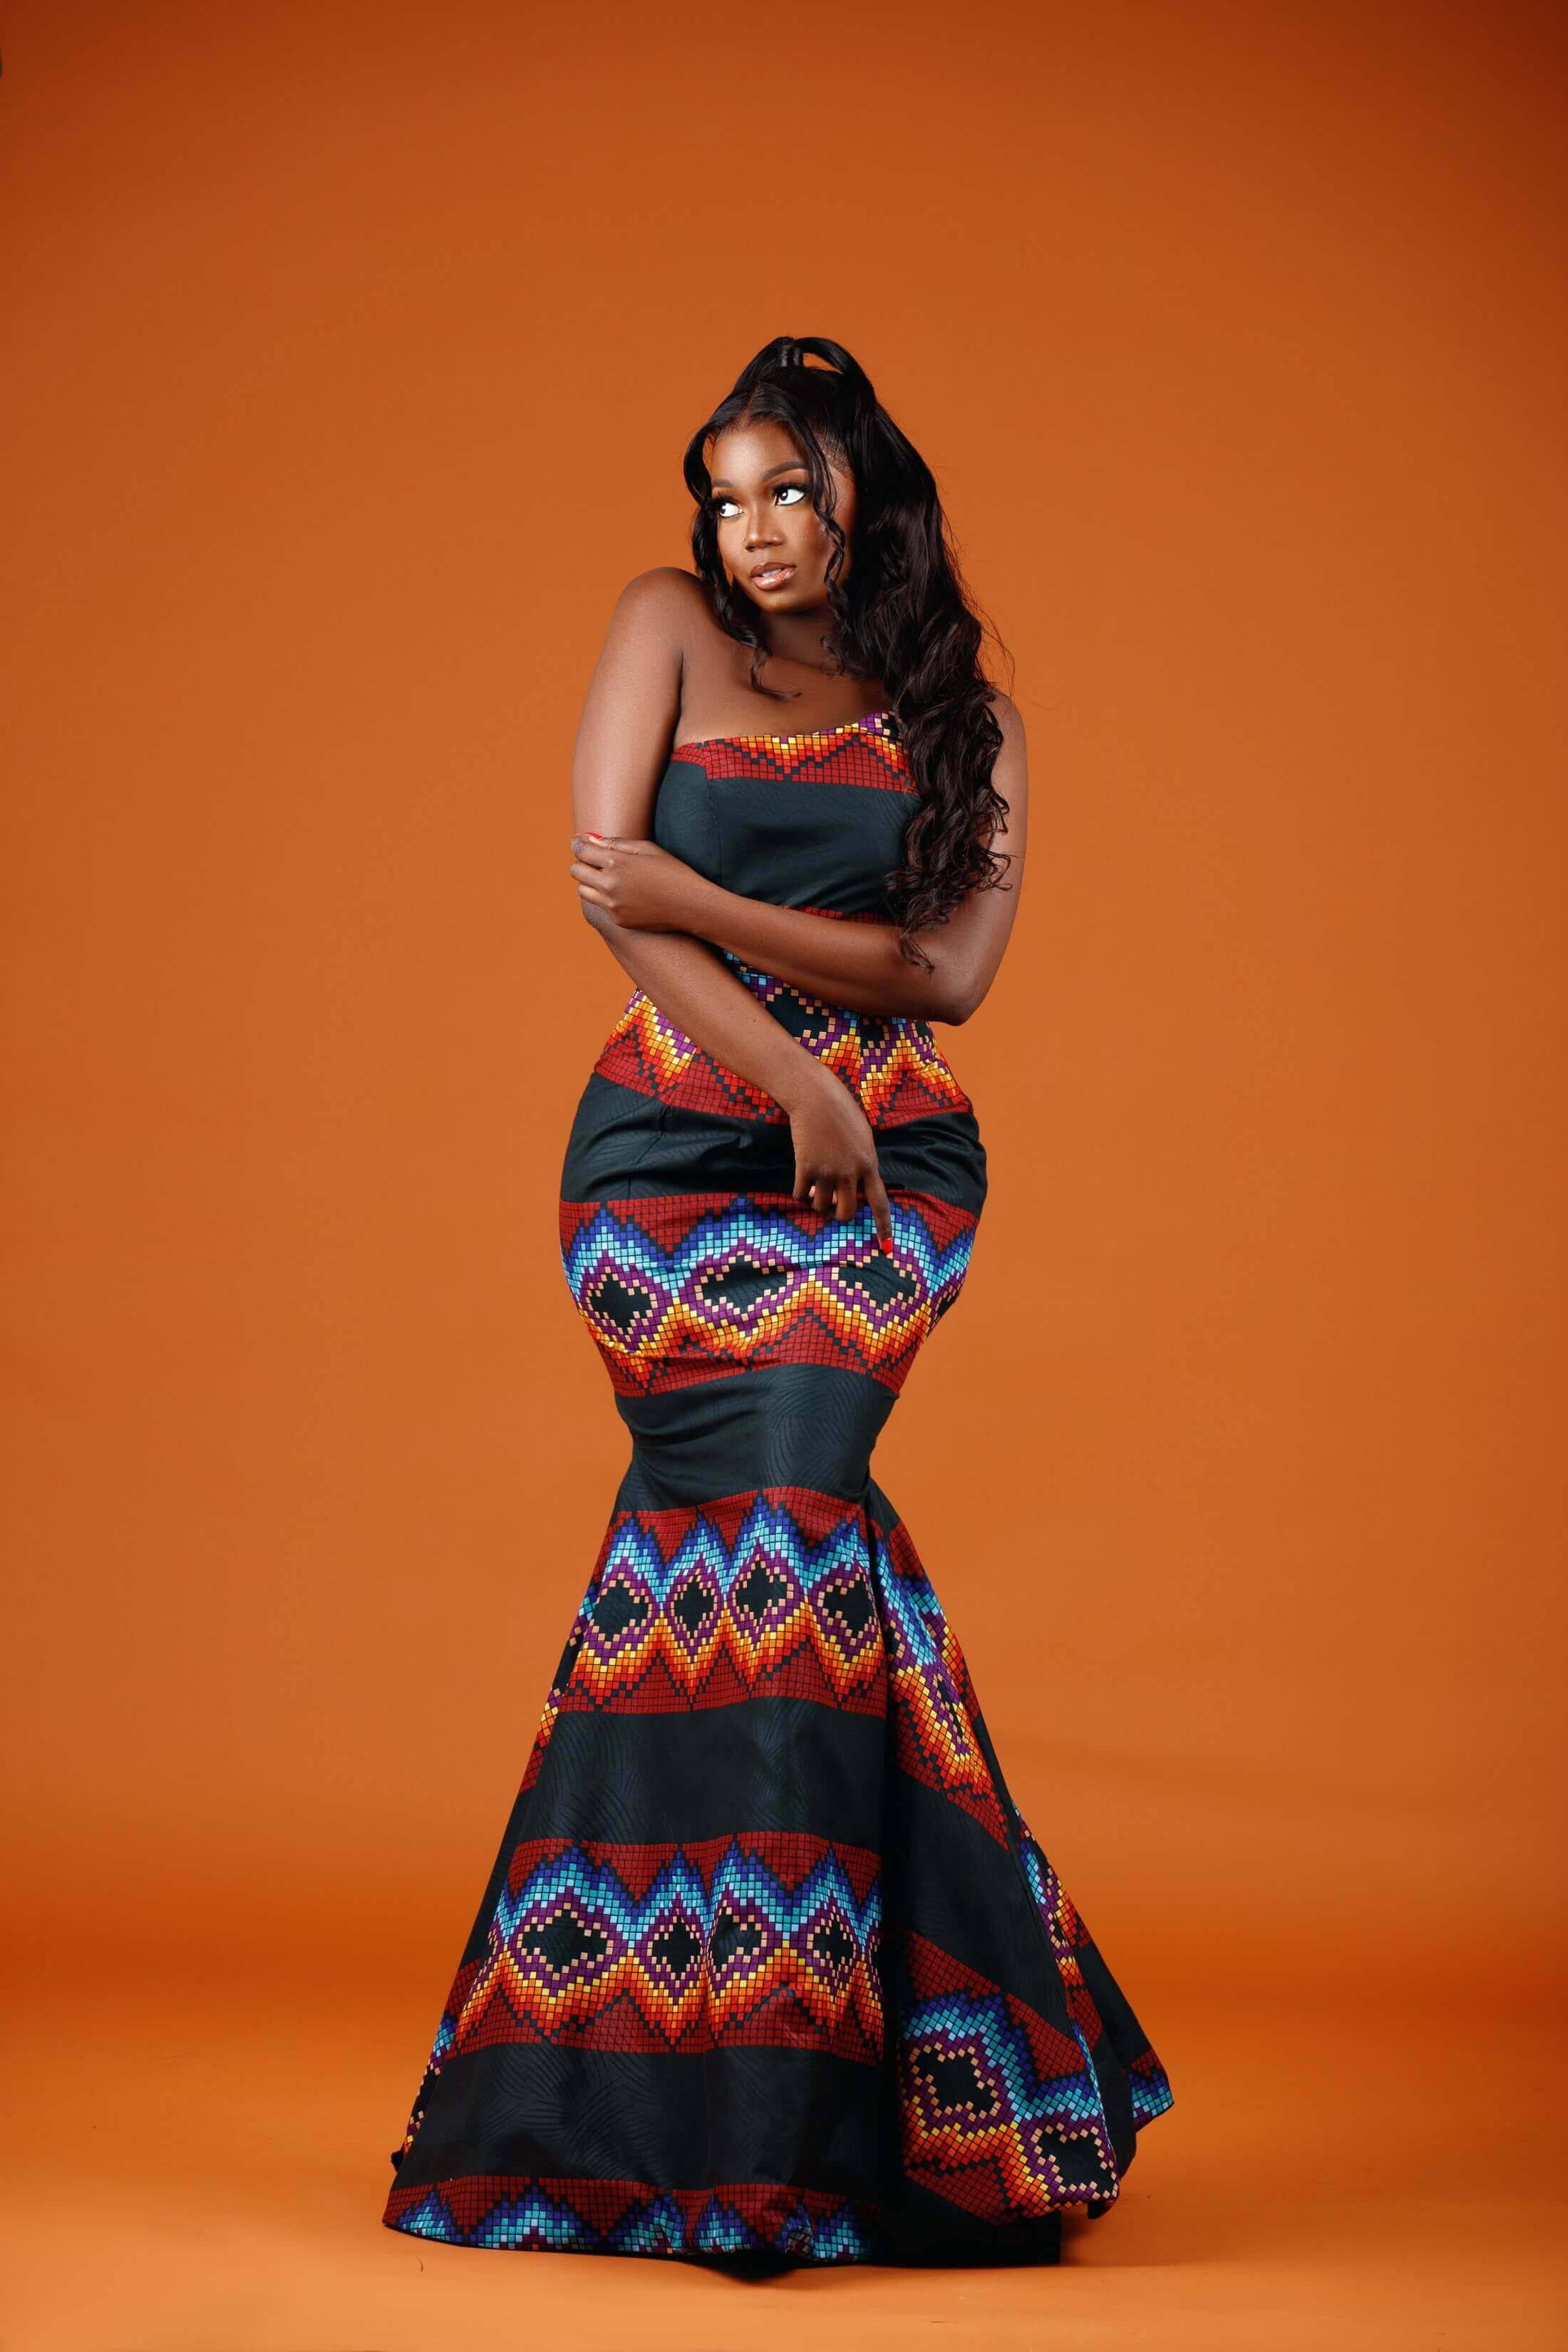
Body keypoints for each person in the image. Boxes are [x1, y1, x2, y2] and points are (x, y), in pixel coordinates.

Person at [380, 335, 1172, 2269]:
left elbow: (947, 976)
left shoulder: (966, 716)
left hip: (892, 1169)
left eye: (791, 490)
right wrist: (796, 1072)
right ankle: (837, 2100)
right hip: (665, 1155)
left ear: (864, 493)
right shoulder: (661, 622)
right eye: (725, 497)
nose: (752, 531)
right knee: (766, 1573)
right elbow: (610, 891)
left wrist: (743, 944)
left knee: (778, 1555)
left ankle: (773, 2121)